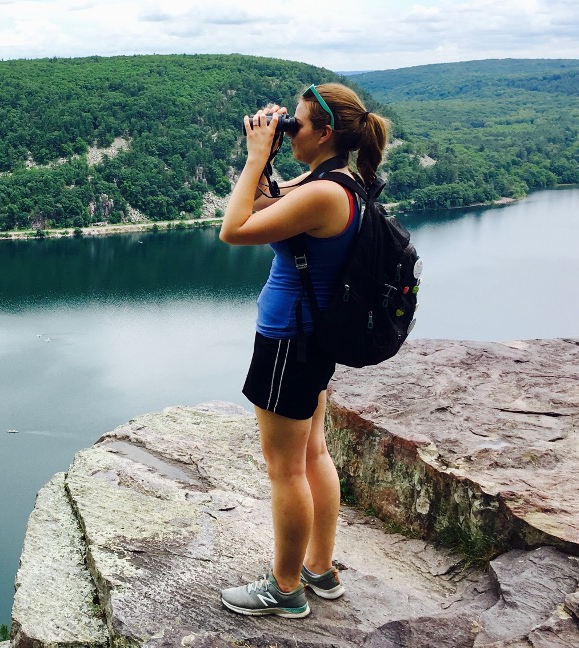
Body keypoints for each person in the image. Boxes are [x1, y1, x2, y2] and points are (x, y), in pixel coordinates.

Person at [217, 83, 391, 618]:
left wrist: (252, 158)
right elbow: (269, 203)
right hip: (310, 340)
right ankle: (320, 568)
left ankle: (285, 588)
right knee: (313, 453)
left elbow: (234, 228)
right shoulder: (337, 180)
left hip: (288, 342)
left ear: (325, 134)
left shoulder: (323, 192)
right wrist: (265, 159)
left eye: (298, 123)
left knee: (285, 468)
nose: (291, 129)